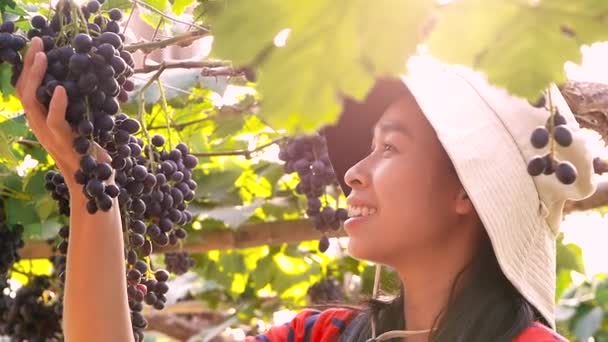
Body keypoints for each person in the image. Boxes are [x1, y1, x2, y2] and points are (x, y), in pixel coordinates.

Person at [15, 35, 596, 341]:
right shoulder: (320, 337)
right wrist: (89, 181)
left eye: (389, 147)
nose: (353, 172)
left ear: (467, 188)